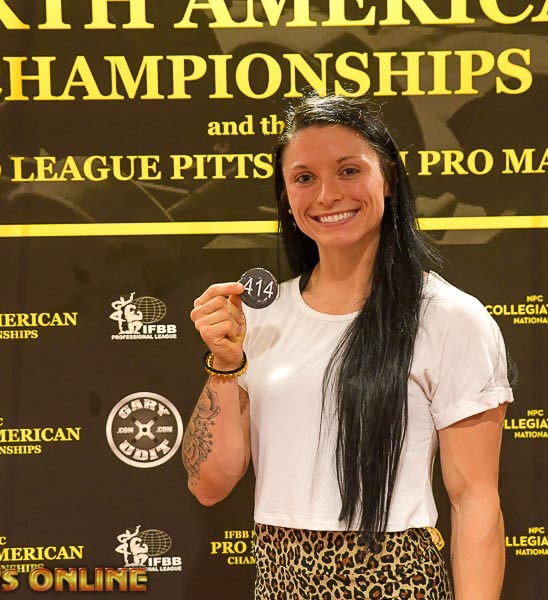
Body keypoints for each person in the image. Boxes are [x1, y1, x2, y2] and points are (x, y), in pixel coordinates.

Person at [183, 94, 512, 599]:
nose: (327, 195)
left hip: (398, 581)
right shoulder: (260, 317)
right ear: (286, 198)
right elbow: (208, 485)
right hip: (279, 581)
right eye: (304, 178)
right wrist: (225, 365)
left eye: (349, 170)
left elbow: (475, 500)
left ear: (389, 178)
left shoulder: (450, 318)